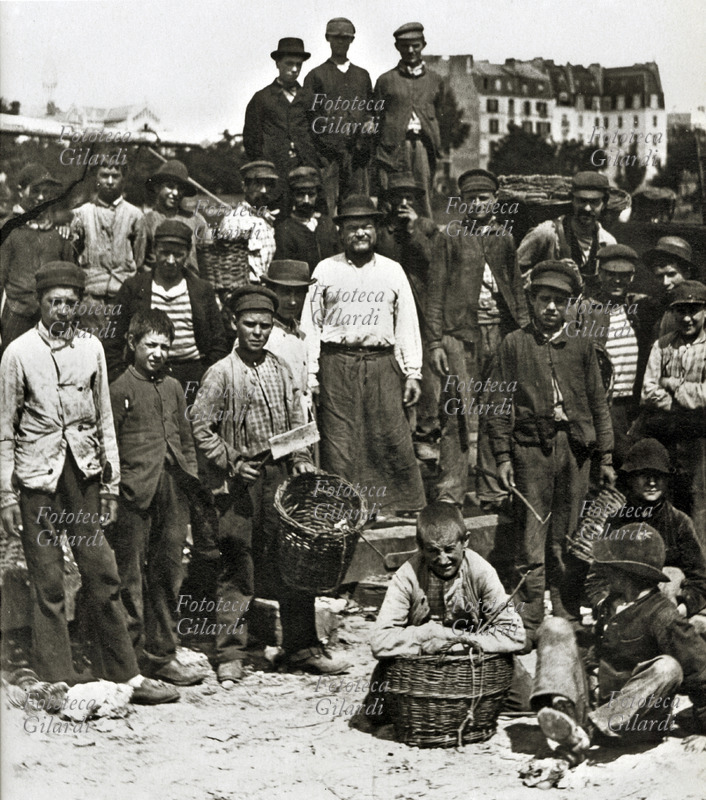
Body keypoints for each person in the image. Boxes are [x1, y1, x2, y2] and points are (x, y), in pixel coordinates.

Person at [0, 261, 177, 703]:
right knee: (48, 581)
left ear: (80, 304)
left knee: (102, 572)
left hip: (83, 476)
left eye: (69, 302)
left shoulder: (91, 348)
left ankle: (125, 674)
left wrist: (110, 485)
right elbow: (4, 428)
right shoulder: (18, 353)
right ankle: (58, 677)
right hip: (38, 477)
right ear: (40, 303)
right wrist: (6, 495)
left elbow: (104, 420)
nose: (62, 310)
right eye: (54, 302)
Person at [189, 286, 351, 683]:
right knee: (237, 563)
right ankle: (231, 653)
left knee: (294, 561)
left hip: (279, 478)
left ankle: (301, 647)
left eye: (264, 326)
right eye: (250, 324)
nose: (257, 332)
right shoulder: (221, 373)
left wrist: (301, 459)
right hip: (241, 482)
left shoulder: (281, 369)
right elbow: (200, 426)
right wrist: (231, 461)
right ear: (235, 324)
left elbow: (298, 421)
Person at [486, 261, 615, 646]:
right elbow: (497, 403)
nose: (551, 308)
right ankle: (529, 618)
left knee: (568, 535)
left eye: (560, 301)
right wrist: (503, 456)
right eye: (544, 300)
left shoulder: (582, 345)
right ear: (532, 301)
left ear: (570, 304)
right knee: (531, 535)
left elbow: (598, 402)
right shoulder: (514, 344)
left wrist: (606, 457)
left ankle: (565, 611)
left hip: (576, 452)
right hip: (531, 451)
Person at [532, 524, 706, 765]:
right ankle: (570, 721)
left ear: (628, 573)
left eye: (611, 567)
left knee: (668, 667)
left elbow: (701, 670)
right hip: (595, 705)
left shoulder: (664, 615)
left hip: (635, 722)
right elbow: (597, 651)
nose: (605, 572)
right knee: (555, 626)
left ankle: (583, 735)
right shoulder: (612, 603)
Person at [300, 194, 426, 517]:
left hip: (382, 363)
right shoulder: (325, 270)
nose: (360, 233)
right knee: (340, 440)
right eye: (352, 227)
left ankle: (397, 506)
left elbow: (406, 322)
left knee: (390, 434)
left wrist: (413, 372)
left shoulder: (392, 271)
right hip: (337, 363)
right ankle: (345, 508)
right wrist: (310, 374)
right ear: (341, 232)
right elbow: (310, 324)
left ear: (376, 230)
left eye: (366, 226)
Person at [109, 309, 208, 686]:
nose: (158, 353)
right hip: (134, 491)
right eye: (151, 345)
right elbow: (109, 445)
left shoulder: (174, 387)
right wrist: (116, 489)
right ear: (133, 344)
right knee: (130, 577)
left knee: (168, 571)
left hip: (172, 487)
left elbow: (185, 438)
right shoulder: (120, 388)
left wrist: (190, 478)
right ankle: (131, 662)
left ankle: (163, 654)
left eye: (165, 347)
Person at [367, 502, 526, 721]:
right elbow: (380, 641)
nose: (442, 560)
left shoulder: (482, 572)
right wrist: (428, 632)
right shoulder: (406, 576)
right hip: (421, 665)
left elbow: (515, 635)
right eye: (433, 551)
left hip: (474, 661)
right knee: (378, 712)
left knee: (524, 701)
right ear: (419, 546)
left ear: (465, 541)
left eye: (450, 549)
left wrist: (450, 639)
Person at [427, 169, 529, 508]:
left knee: (495, 409)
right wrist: (435, 342)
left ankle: (491, 489)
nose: (477, 203)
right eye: (471, 198)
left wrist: (524, 333)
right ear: (463, 202)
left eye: (483, 198)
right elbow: (435, 293)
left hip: (498, 333)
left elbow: (516, 288)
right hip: (458, 335)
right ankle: (450, 489)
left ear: (495, 200)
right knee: (455, 410)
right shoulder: (450, 237)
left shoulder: (505, 238)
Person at [586, 438, 706, 633]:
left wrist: (679, 610)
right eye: (644, 475)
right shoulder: (616, 522)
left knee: (671, 575)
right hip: (626, 612)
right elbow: (596, 579)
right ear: (631, 479)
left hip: (668, 611)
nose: (652, 482)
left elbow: (701, 581)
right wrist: (608, 607)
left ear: (667, 480)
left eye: (658, 476)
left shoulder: (679, 522)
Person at [106, 219, 228, 387]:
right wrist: (123, 378)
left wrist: (207, 376)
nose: (171, 260)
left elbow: (219, 342)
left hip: (193, 375)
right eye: (165, 252)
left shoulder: (202, 290)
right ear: (154, 249)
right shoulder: (133, 288)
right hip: (145, 375)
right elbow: (111, 340)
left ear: (188, 253)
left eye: (178, 254)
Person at [567, 244, 653, 467]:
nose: (617, 281)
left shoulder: (638, 309)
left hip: (629, 405)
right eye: (610, 274)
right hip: (599, 403)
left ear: (632, 277)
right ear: (600, 274)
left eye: (624, 275)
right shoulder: (585, 310)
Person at [637, 280, 706, 543]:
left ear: (705, 311)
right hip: (667, 435)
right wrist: (686, 400)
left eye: (694, 311)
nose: (687, 318)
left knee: (698, 498)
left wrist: (673, 384)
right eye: (681, 311)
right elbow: (648, 391)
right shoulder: (662, 345)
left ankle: (699, 560)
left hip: (700, 437)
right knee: (667, 496)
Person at [376, 173, 440, 450]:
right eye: (398, 197)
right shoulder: (381, 230)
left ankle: (426, 431)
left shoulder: (426, 227)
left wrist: (413, 230)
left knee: (421, 365)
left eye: (409, 198)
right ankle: (396, 431)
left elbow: (435, 262)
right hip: (387, 305)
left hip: (419, 305)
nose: (403, 203)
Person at [302, 17, 373, 214]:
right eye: (336, 38)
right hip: (327, 156)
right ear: (328, 38)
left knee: (356, 208)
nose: (341, 42)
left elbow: (370, 110)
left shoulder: (362, 76)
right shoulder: (316, 75)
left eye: (346, 38)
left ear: (352, 40)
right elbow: (308, 117)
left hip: (357, 156)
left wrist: (369, 122)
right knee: (326, 209)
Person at [373, 23, 444, 219]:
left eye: (415, 45)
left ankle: (424, 236)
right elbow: (375, 117)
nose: (410, 50)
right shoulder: (385, 80)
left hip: (422, 147)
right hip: (393, 149)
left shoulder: (435, 80)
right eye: (405, 46)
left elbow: (441, 115)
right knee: (391, 198)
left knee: (422, 198)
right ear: (397, 47)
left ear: (423, 45)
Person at [243, 38, 320, 215]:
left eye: (298, 65)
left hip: (305, 173)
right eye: (289, 63)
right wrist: (265, 169)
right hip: (275, 176)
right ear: (278, 63)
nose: (294, 69)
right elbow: (252, 141)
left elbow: (318, 135)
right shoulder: (262, 98)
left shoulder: (309, 98)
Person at [0, 164, 72, 354]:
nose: (41, 198)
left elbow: (70, 278)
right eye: (35, 191)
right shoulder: (8, 228)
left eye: (46, 192)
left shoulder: (58, 232)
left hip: (51, 317)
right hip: (17, 314)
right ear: (20, 191)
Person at [69, 159, 142, 336]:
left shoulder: (135, 215)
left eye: (115, 176)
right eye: (104, 175)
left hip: (123, 295)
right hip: (91, 297)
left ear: (123, 179)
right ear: (96, 178)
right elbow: (72, 256)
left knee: (122, 343)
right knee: (91, 344)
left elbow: (140, 257)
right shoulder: (82, 213)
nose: (110, 181)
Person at [517, 172, 617, 283]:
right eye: (582, 201)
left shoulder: (607, 243)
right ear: (572, 200)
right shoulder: (547, 233)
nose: (587, 208)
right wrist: (551, 271)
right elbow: (513, 275)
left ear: (604, 203)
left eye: (594, 202)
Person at [134, 160, 211, 276]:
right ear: (157, 188)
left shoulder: (196, 221)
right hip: (157, 282)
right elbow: (138, 263)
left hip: (190, 283)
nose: (175, 193)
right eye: (170, 186)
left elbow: (208, 261)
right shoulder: (147, 221)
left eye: (180, 189)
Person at [261, 259, 314, 418]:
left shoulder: (301, 334)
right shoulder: (262, 335)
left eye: (298, 293)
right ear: (271, 292)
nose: (292, 301)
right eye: (285, 293)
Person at [217, 160, 279, 290]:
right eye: (258, 184)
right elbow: (225, 270)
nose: (264, 190)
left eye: (268, 185)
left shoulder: (269, 219)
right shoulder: (234, 221)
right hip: (246, 291)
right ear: (245, 186)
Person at [273, 167, 339, 274]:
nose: (306, 200)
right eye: (300, 195)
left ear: (317, 195)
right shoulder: (284, 230)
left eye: (311, 195)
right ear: (292, 196)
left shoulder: (327, 224)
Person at [643, 236, 696, 337]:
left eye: (671, 274)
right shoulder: (651, 308)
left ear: (687, 273)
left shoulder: (700, 307)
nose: (665, 282)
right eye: (659, 276)